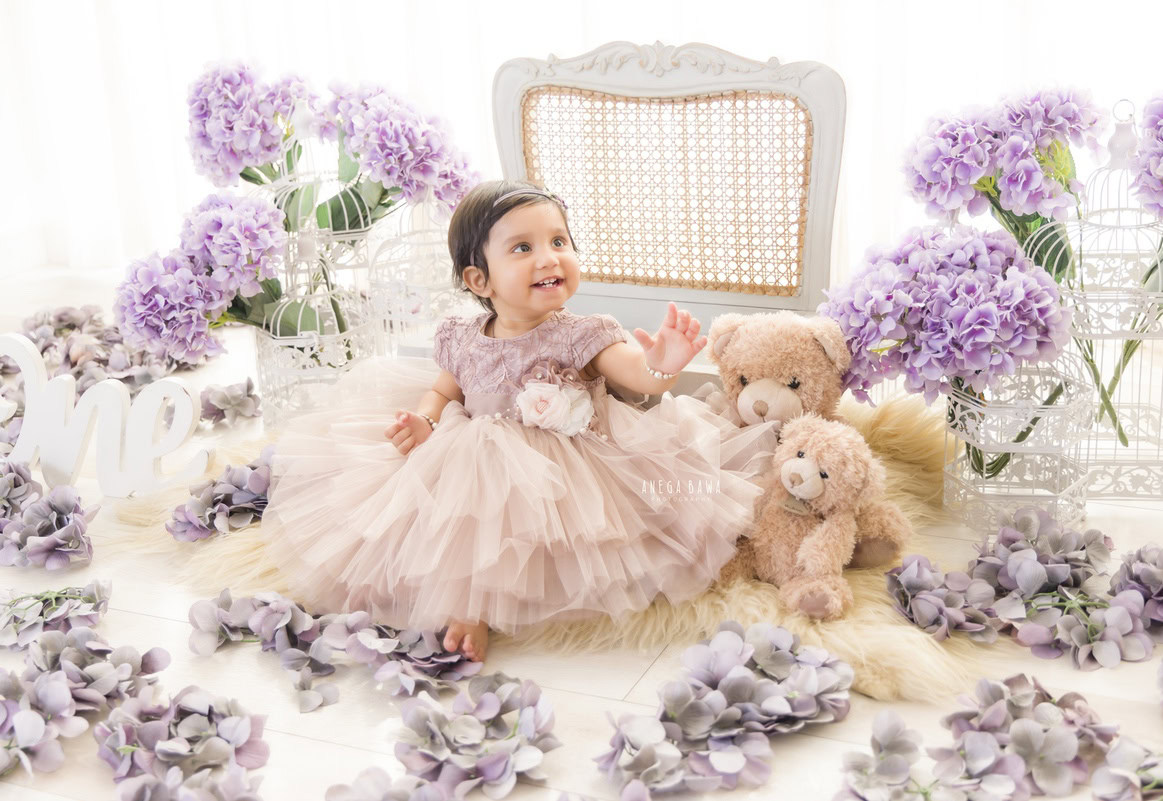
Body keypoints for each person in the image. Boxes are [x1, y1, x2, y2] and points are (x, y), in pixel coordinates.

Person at [258, 179, 779, 662]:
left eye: (559, 241)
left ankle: (490, 603)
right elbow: (444, 388)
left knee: (550, 521)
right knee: (460, 510)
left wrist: (664, 362)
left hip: (567, 467)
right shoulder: (462, 335)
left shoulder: (583, 332)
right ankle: (470, 606)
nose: (549, 257)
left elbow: (639, 376)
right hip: (476, 449)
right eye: (523, 248)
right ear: (478, 278)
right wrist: (425, 421)